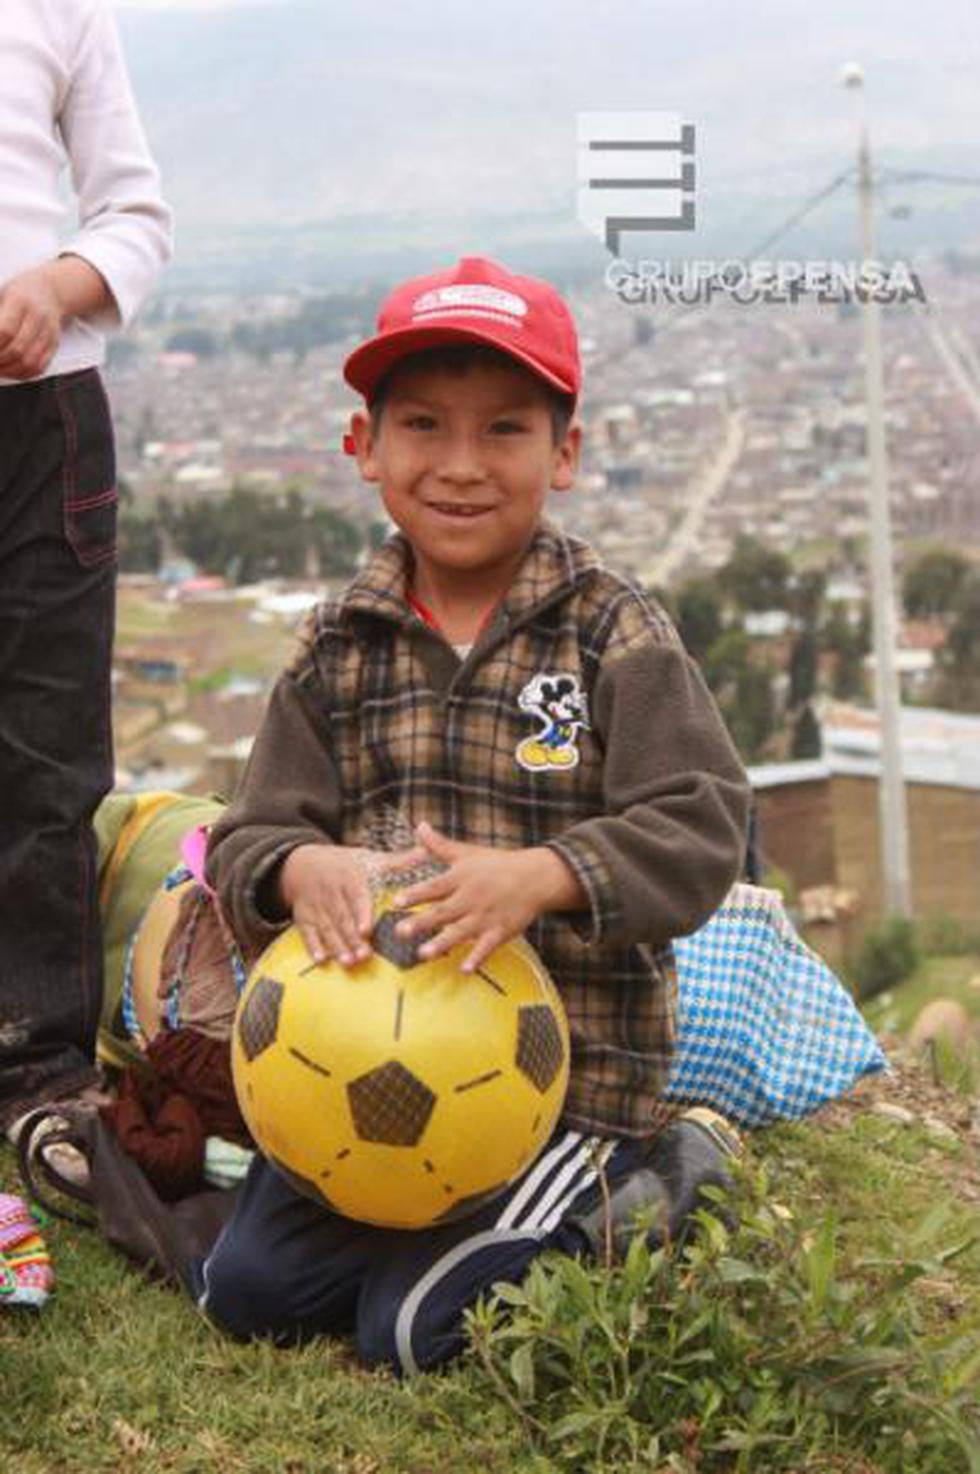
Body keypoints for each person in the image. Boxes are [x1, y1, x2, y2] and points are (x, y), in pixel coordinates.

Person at [199, 255, 751, 1374]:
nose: (459, 465)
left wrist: (546, 873)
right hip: (361, 1077)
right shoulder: (338, 644)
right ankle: (433, 1232)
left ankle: (666, 1174)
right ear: (364, 447)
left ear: (565, 452)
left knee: (412, 1330)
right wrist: (298, 867)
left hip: (569, 1086)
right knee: (242, 1292)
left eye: (503, 429)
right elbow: (247, 834)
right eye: (421, 426)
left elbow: (702, 826)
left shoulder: (611, 634)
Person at [0, 0, 173, 1133]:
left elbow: (134, 213)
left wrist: (58, 286)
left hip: (42, 425)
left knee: (44, 752)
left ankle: (39, 1067)